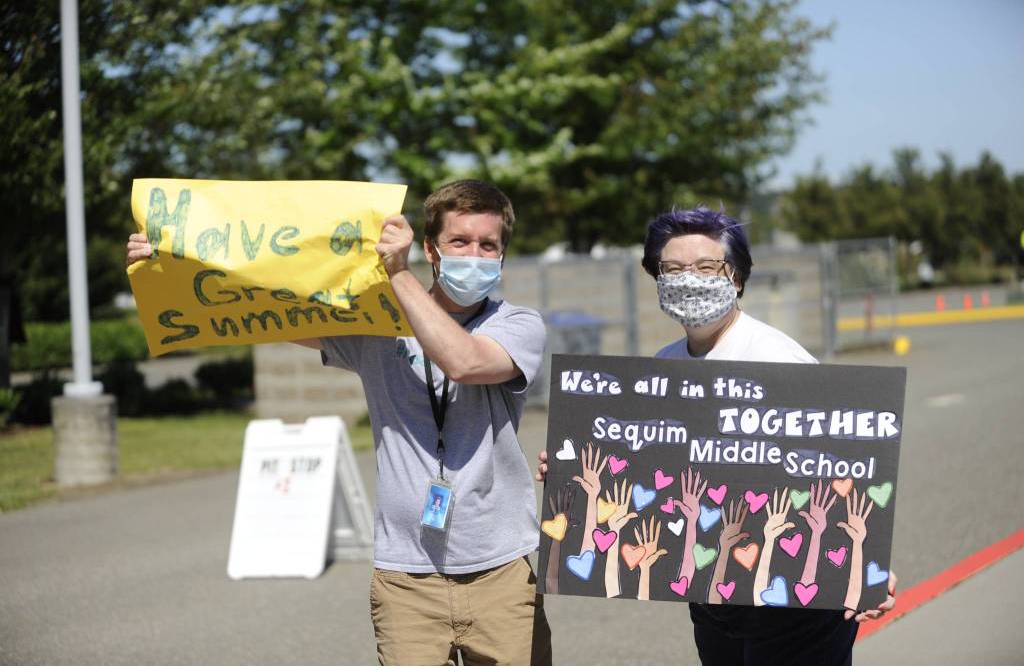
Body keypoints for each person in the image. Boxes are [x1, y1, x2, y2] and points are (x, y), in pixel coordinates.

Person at [128, 180, 552, 666]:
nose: (474, 254)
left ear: (502, 255)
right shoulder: (376, 324)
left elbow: (465, 362)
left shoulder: (518, 324)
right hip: (405, 579)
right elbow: (270, 307)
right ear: (432, 249)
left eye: (488, 245)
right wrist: (170, 264)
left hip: (498, 571)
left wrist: (397, 275)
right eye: (460, 242)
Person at [536, 205, 896, 666]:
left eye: (707, 267)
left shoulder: (778, 361)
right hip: (713, 595)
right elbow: (649, 464)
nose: (690, 279)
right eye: (674, 269)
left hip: (793, 605)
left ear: (737, 278)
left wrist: (866, 568)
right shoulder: (664, 367)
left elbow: (839, 467)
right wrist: (570, 475)